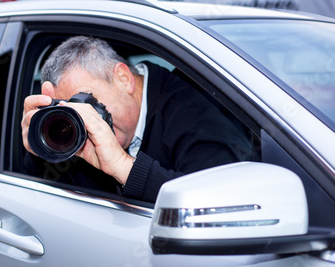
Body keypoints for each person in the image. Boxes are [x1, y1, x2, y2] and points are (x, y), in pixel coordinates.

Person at [21, 36, 257, 202]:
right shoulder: (79, 134)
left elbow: (219, 204)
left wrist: (123, 166)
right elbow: (38, 207)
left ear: (124, 78)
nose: (84, 118)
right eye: (72, 110)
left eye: (87, 101)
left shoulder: (198, 108)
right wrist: (42, 151)